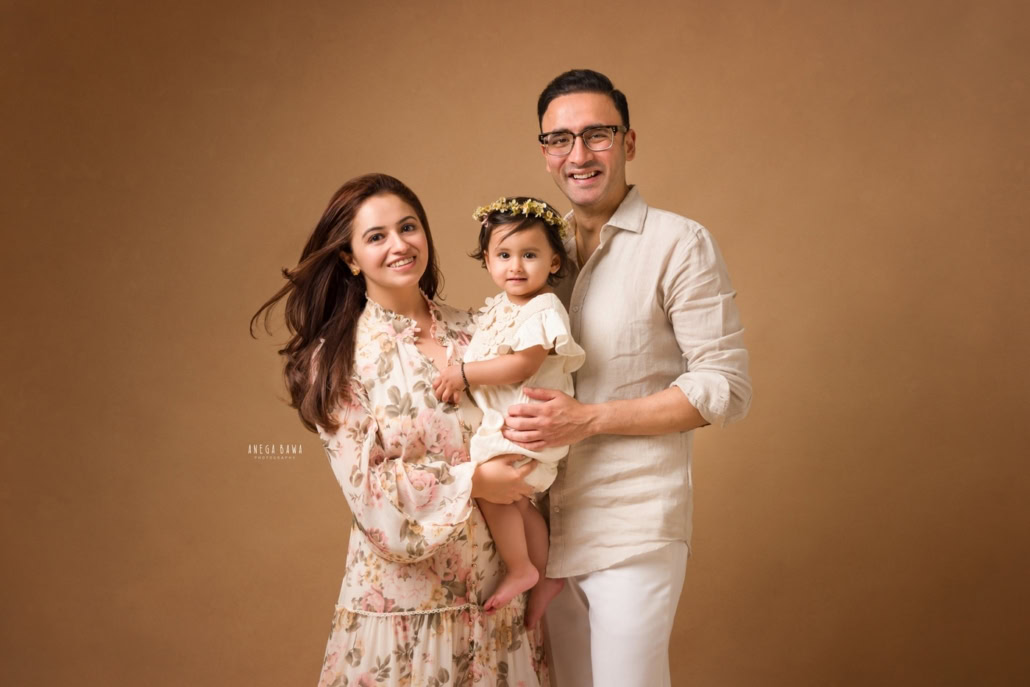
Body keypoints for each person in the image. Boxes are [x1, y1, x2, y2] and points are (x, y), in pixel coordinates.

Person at [501, 70, 753, 687]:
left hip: (632, 524)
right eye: (560, 139)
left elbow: (724, 385)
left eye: (598, 135)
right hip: (544, 535)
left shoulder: (679, 243)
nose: (578, 155)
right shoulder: (536, 253)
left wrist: (588, 420)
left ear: (629, 142)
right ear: (544, 151)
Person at [250, 173, 549, 686]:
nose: (400, 245)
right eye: (376, 236)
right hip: (406, 614)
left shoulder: (480, 332)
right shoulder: (339, 359)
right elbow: (369, 492)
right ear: (350, 258)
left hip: (497, 606)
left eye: (408, 227)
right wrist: (475, 481)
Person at [433, 196, 585, 632]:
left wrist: (463, 374)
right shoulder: (502, 306)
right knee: (518, 500)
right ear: (487, 260)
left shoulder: (543, 308)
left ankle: (521, 567)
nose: (515, 266)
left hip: (526, 424)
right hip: (512, 423)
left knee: (489, 488)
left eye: (530, 255)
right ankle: (545, 574)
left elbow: (521, 365)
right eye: (503, 255)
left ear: (554, 262)